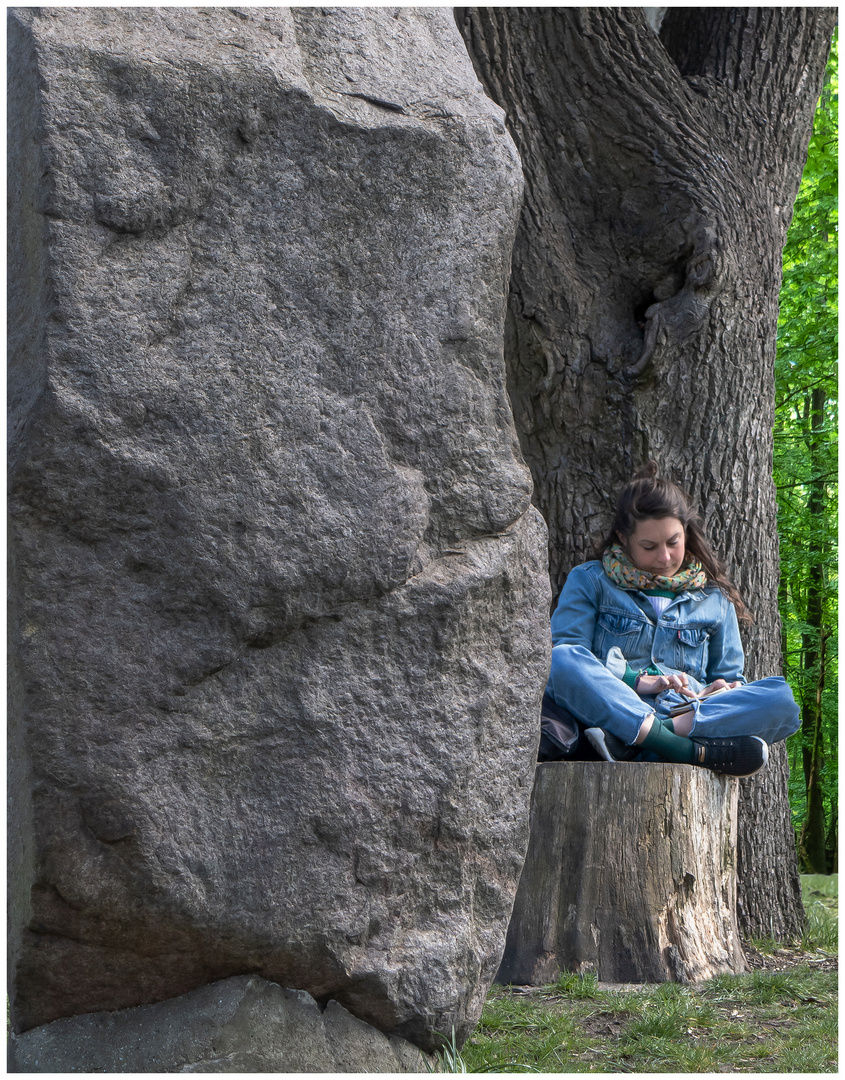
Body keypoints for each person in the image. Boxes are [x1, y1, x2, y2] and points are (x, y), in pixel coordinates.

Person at [545, 462, 799, 777]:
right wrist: (633, 681)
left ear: (686, 532)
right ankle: (683, 751)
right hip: (609, 709)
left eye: (673, 542)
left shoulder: (715, 600)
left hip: (688, 714)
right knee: (558, 658)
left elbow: (732, 679)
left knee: (782, 700)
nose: (664, 557)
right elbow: (567, 661)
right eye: (649, 546)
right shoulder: (590, 580)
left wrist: (718, 689)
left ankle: (642, 742)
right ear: (623, 538)